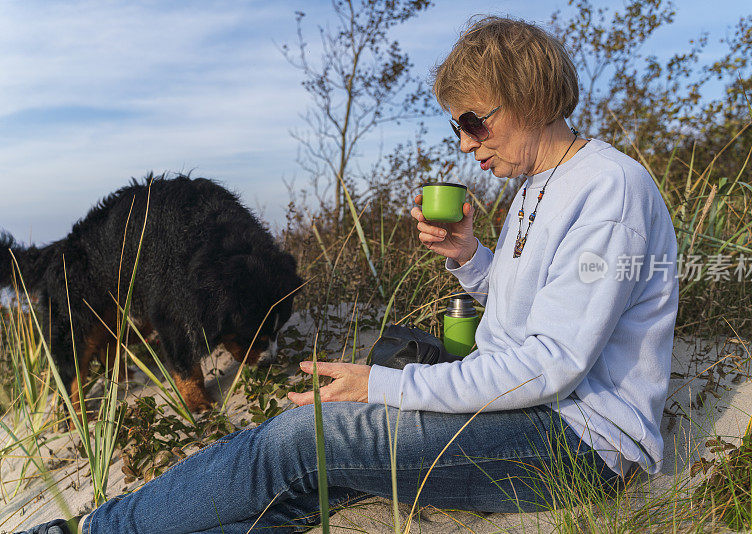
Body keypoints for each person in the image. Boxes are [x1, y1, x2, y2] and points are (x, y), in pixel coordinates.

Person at [16, 15, 678, 534]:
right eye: (457, 127)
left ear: (529, 96)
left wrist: (388, 386)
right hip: (524, 415)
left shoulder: (607, 190)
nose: (466, 144)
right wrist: (471, 258)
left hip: (571, 443)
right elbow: (530, 316)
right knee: (307, 481)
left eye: (474, 122)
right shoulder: (540, 183)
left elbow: (551, 365)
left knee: (300, 440)